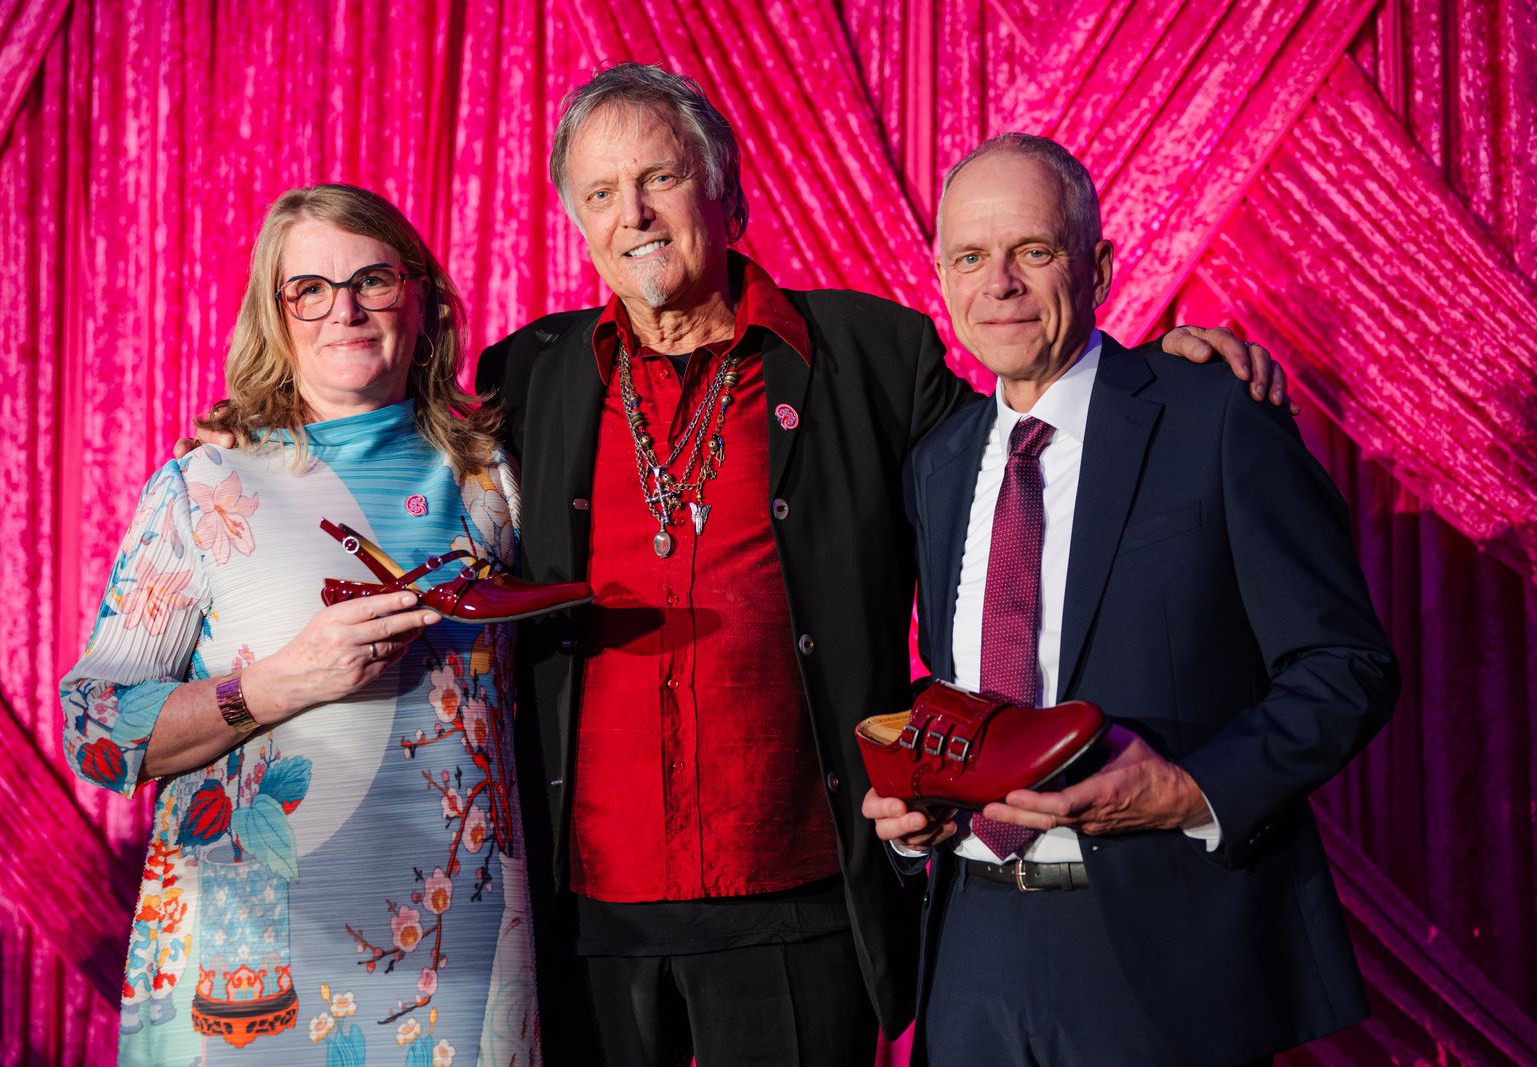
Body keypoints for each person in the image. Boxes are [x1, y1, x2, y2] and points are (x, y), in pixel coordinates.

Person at [473, 63, 1290, 1066]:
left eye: (660, 179)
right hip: (588, 913)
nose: (633, 214)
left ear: (724, 192)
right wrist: (259, 436)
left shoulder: (871, 354)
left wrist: (1161, 369)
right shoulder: (524, 374)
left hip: (804, 906)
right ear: (575, 217)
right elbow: (403, 461)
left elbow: (1038, 444)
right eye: (601, 193)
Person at [863, 134, 1399, 1066]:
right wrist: (922, 803)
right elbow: (963, 682)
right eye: (969, 257)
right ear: (941, 278)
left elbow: (1347, 665)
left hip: (1165, 948)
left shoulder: (1215, 415)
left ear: (1100, 265)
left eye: (1034, 250)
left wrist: (1190, 790)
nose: (1000, 283)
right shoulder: (937, 466)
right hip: (970, 953)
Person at [62, 184, 575, 1065]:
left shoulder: (495, 479)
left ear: (421, 298)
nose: (344, 308)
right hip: (248, 969)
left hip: (459, 963)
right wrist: (277, 683)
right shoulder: (207, 486)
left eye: (372, 279)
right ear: (277, 310)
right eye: (310, 288)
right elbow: (94, 729)